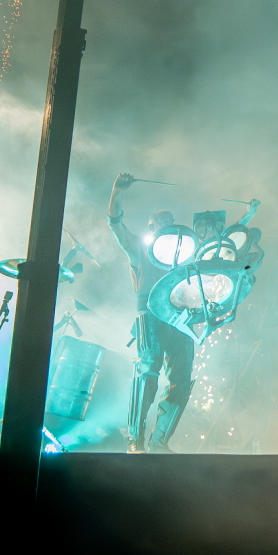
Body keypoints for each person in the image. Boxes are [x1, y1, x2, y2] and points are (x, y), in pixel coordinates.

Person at [107, 172, 259, 453]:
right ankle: (134, 439)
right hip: (150, 315)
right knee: (147, 370)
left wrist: (247, 217)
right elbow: (116, 226)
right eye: (159, 221)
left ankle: (159, 441)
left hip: (181, 318)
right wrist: (117, 192)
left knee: (182, 378)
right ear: (151, 228)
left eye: (169, 220)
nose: (166, 224)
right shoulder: (140, 251)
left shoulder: (188, 257)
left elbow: (222, 244)